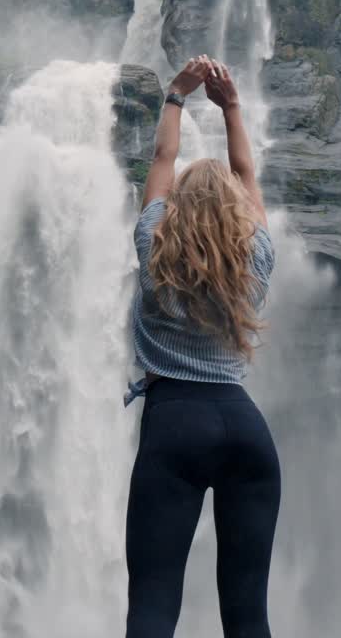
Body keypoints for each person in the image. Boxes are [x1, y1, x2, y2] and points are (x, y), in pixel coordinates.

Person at [123, 54, 280, 638]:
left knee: (154, 605)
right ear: (240, 215)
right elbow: (247, 173)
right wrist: (232, 106)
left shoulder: (154, 247)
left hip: (175, 425)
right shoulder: (258, 258)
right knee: (247, 614)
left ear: (175, 212)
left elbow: (163, 160)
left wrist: (175, 96)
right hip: (246, 430)